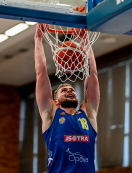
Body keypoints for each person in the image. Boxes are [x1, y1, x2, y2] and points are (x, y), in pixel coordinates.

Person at [34, 24, 100, 173]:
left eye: (71, 90)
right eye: (64, 90)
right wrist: (38, 38)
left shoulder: (88, 114)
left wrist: (85, 42)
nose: (69, 90)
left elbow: (93, 75)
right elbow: (41, 73)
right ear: (55, 102)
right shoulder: (51, 114)